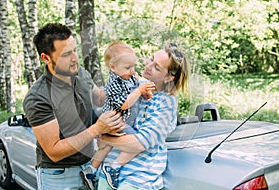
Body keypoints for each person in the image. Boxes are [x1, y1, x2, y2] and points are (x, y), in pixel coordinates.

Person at [22, 23, 125, 190]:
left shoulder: (81, 73)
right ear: (46, 58)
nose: (75, 58)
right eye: (66, 54)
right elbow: (54, 151)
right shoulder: (38, 98)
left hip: (90, 166)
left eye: (75, 50)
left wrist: (130, 88)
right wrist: (96, 129)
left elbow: (99, 99)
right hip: (59, 177)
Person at [97, 42, 191, 190]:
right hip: (107, 172)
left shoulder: (166, 103)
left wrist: (101, 135)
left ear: (168, 78)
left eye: (156, 67)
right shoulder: (133, 85)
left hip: (137, 178)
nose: (148, 66)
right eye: (151, 59)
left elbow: (139, 143)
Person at [80, 41, 155, 190]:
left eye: (133, 66)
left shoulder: (129, 76)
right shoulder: (113, 83)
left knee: (105, 148)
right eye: (128, 67)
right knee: (138, 143)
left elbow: (138, 85)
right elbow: (125, 104)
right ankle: (113, 168)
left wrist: (145, 92)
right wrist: (139, 91)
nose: (132, 71)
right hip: (114, 121)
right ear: (113, 67)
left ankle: (91, 171)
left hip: (115, 121)